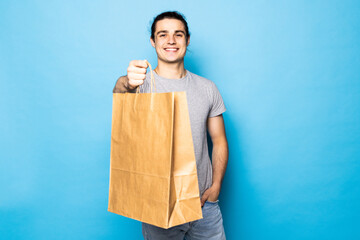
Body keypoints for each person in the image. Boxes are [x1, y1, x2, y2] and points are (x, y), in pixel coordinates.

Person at [113, 11, 228, 240]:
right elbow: (120, 93)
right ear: (153, 41)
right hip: (159, 206)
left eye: (178, 34)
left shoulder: (207, 88)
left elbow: (219, 141)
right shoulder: (141, 85)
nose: (171, 40)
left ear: (187, 40)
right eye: (163, 35)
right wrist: (126, 82)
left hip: (204, 205)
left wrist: (215, 187)